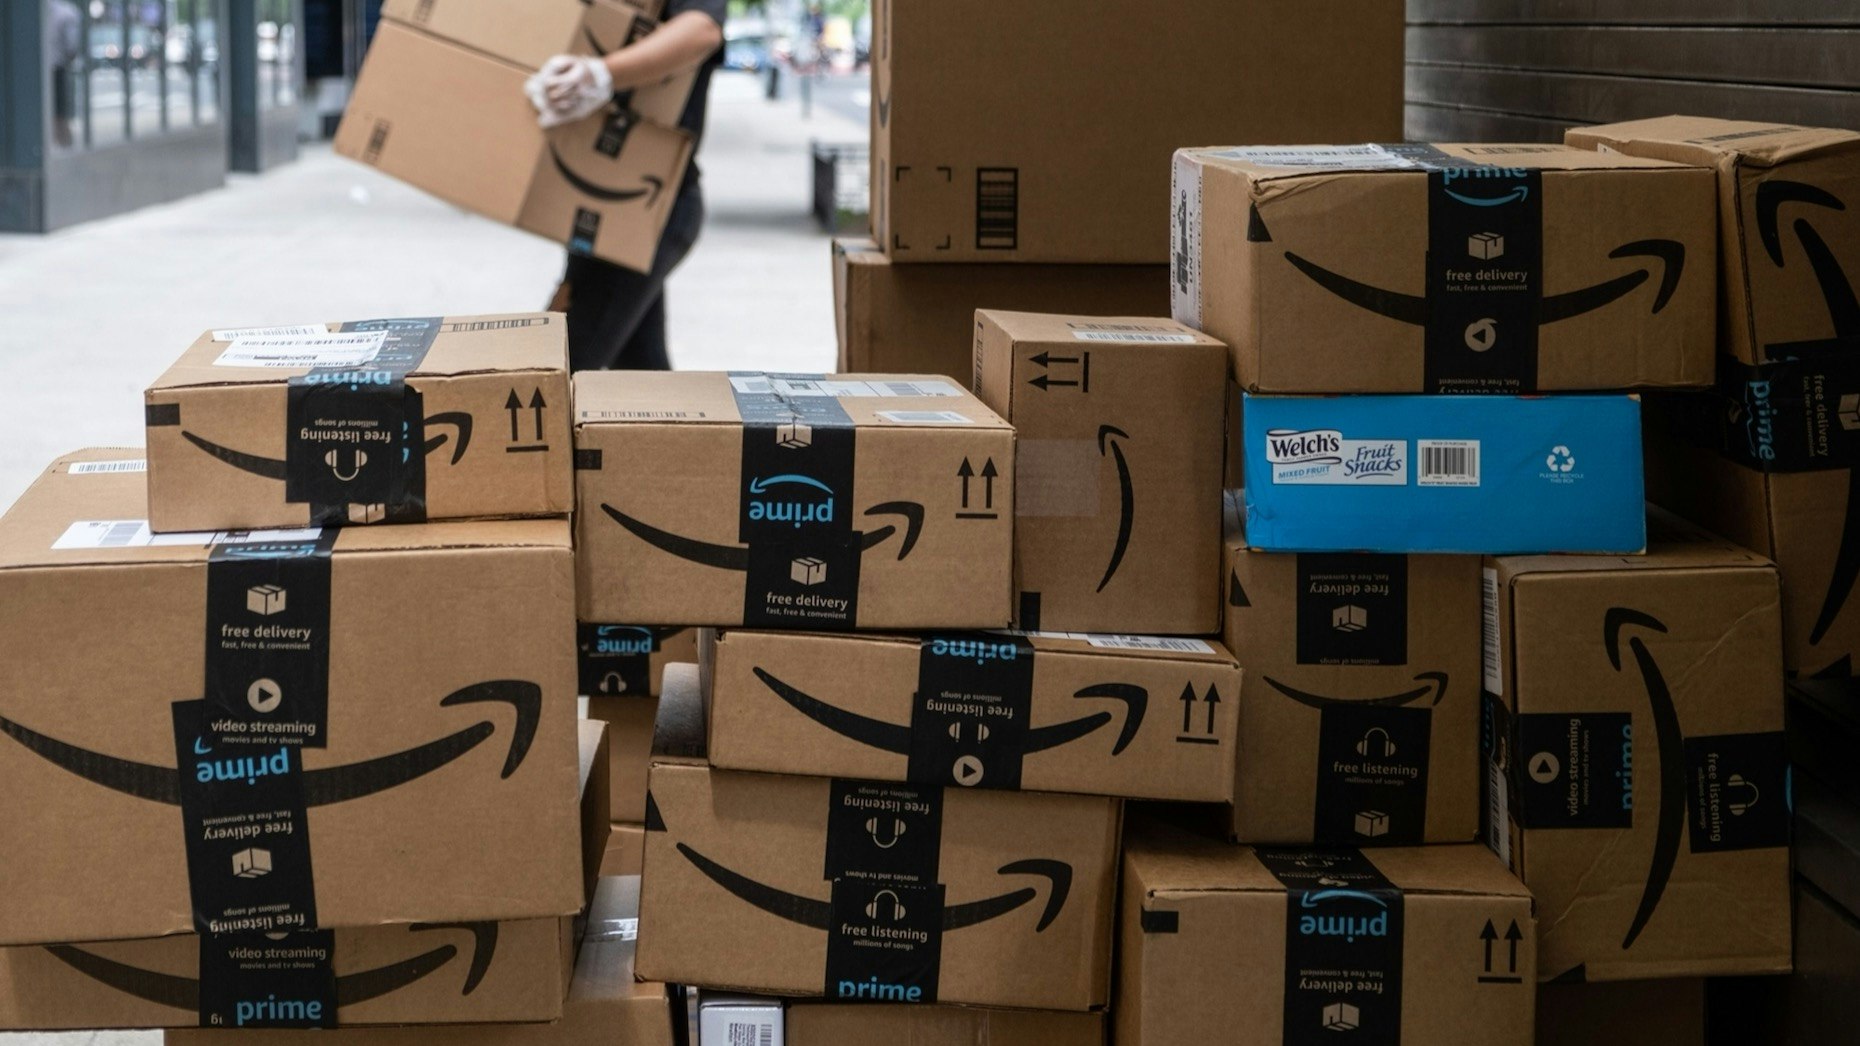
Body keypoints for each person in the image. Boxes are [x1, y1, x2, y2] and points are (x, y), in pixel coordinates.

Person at [528, 0, 727, 371]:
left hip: (646, 205)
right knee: (641, 374)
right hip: (601, 200)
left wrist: (600, 74)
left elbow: (703, 28)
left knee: (556, 373)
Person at [47, 0, 80, 149]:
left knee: (55, 107)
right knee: (60, 108)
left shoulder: (46, 10)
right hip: (58, 65)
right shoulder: (67, 12)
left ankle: (58, 140)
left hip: (46, 66)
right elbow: (71, 45)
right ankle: (63, 141)